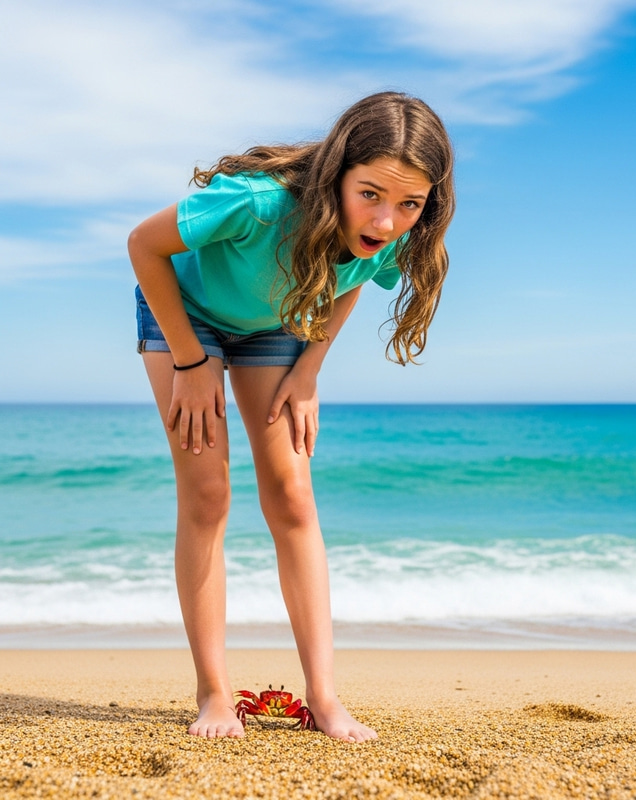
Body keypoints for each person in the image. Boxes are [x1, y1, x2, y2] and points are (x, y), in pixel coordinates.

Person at [128, 92, 455, 742]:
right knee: (208, 493)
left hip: (276, 324)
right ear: (336, 174)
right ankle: (214, 694)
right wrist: (192, 365)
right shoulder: (259, 202)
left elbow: (357, 277)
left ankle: (324, 699)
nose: (387, 220)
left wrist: (309, 371)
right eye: (370, 195)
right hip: (184, 313)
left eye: (409, 203)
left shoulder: (394, 230)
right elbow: (144, 245)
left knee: (293, 495)